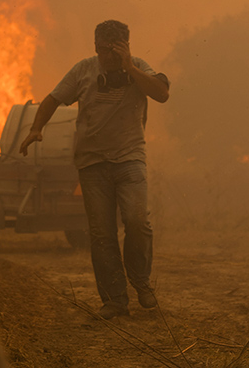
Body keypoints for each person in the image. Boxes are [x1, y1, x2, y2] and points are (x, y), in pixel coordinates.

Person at [19, 20, 170, 319]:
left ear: (127, 47)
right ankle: (115, 300)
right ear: (96, 49)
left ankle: (141, 281)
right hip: (92, 164)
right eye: (105, 51)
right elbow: (53, 99)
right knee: (102, 234)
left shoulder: (138, 68)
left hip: (130, 159)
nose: (111, 58)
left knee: (137, 221)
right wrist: (37, 128)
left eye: (118, 51)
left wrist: (130, 67)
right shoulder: (83, 71)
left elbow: (162, 93)